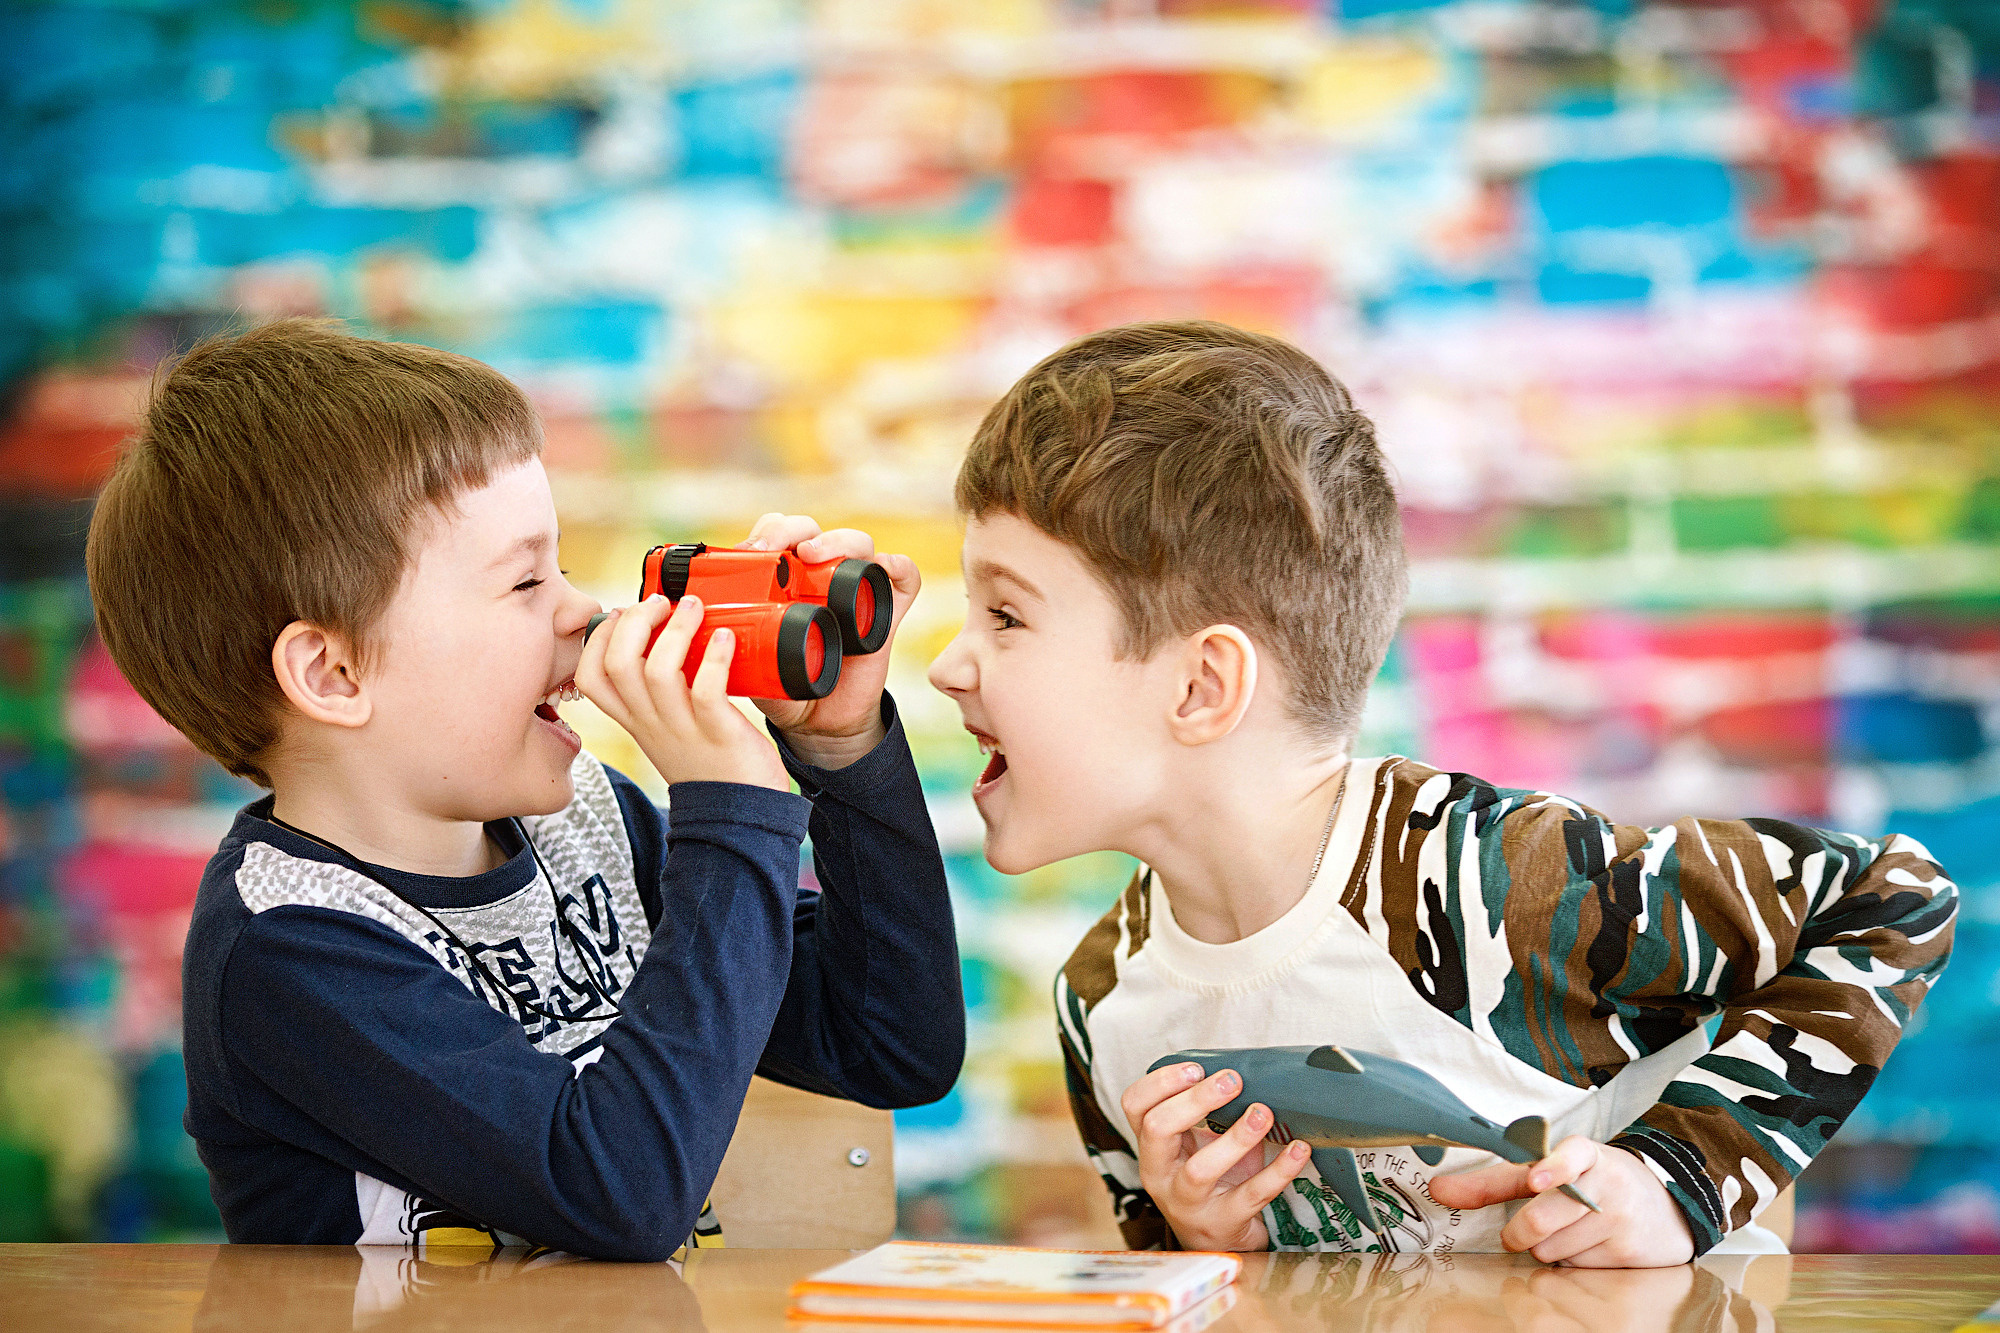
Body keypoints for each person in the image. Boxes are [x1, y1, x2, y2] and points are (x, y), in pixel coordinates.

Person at [926, 320, 1956, 1265]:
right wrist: (1201, 1243)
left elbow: (1890, 895)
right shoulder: (1101, 1001)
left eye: (1005, 616)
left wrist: (1678, 1176)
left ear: (1201, 686)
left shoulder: (1488, 881)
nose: (948, 665)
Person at [87, 319, 963, 1259]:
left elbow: (890, 1043)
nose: (581, 609)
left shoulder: (591, 826)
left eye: (564, 567)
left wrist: (841, 751)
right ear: (334, 674)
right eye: (524, 582)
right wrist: (733, 813)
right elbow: (619, 1191)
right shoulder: (286, 948)